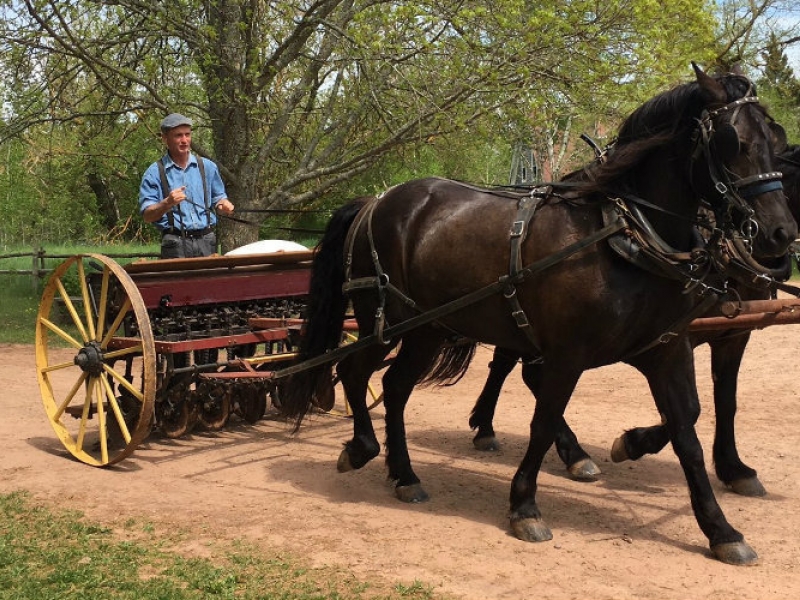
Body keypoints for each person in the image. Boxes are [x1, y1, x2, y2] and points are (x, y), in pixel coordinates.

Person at [139, 113, 235, 258]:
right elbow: (147, 216)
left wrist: (224, 206)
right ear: (165, 139)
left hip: (207, 240)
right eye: (178, 135)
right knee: (179, 282)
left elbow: (219, 200)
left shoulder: (208, 167)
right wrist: (167, 203)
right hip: (174, 243)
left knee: (210, 281)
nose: (184, 140)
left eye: (187, 135)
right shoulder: (154, 173)